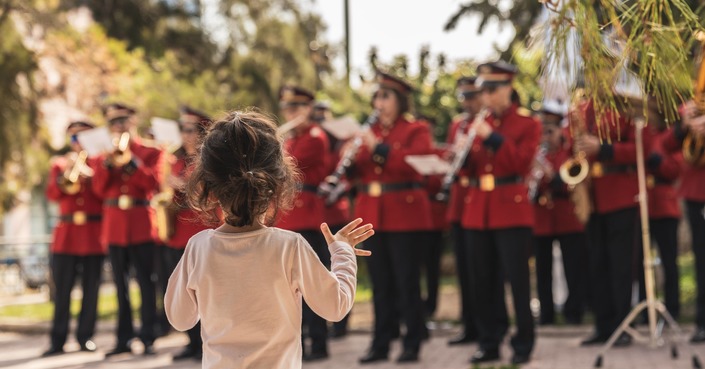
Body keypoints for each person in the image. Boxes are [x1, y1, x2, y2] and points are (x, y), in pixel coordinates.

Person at [164, 110, 374, 369]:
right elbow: (335, 307)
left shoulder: (198, 246)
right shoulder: (290, 246)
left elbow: (180, 318)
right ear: (277, 182)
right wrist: (342, 253)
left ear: (208, 184)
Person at [351, 71, 434, 364]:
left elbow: (415, 165)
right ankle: (380, 344)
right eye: (376, 96)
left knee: (407, 283)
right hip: (373, 215)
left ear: (400, 100)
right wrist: (351, 157)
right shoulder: (369, 132)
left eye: (385, 96)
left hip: (405, 214)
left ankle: (412, 342)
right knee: (380, 284)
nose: (379, 102)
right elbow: (357, 170)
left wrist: (377, 148)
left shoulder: (416, 129)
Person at [461, 61, 539, 365]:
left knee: (517, 281)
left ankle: (523, 344)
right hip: (478, 209)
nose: (486, 97)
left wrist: (491, 137)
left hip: (511, 208)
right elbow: (468, 170)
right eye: (483, 90)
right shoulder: (475, 123)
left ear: (508, 88)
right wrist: (462, 151)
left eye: (492, 90)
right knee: (483, 281)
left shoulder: (527, 123)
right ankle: (489, 341)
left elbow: (520, 163)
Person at [576, 96, 654, 347]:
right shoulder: (582, 108)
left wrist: (604, 149)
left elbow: (644, 148)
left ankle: (623, 326)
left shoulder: (629, 105)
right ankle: (603, 325)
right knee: (596, 264)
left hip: (621, 194)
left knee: (621, 267)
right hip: (592, 195)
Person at [92, 103, 162, 356]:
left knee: (145, 283)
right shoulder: (103, 155)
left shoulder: (150, 151)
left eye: (123, 120)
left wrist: (131, 162)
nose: (119, 126)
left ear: (133, 122)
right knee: (120, 287)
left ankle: (148, 336)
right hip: (114, 227)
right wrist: (109, 165)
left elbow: (153, 182)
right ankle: (123, 339)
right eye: (114, 122)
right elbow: (99, 190)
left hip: (141, 224)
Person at [275, 86, 333, 361]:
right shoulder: (289, 139)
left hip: (308, 217)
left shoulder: (315, 137)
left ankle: (319, 343)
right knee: (288, 287)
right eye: (287, 108)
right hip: (288, 217)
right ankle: (298, 343)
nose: (290, 113)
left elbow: (288, 163)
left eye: (296, 107)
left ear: (308, 109)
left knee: (311, 284)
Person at [159, 106, 218, 361]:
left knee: (205, 292)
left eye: (189, 129)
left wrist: (184, 185)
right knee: (185, 290)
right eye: (182, 129)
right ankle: (192, 341)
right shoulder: (177, 160)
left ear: (203, 132)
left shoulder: (209, 162)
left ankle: (208, 342)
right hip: (179, 232)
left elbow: (210, 197)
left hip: (202, 229)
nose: (184, 135)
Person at [42, 121, 105, 357]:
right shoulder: (59, 164)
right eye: (73, 138)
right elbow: (52, 195)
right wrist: (64, 173)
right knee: (62, 291)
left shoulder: (99, 165)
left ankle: (85, 337)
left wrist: (91, 175)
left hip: (92, 234)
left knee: (91, 290)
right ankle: (57, 340)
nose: (77, 143)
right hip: (66, 236)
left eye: (81, 137)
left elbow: (103, 193)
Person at [531, 104, 588, 325]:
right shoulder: (535, 152)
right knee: (542, 269)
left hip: (567, 216)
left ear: (560, 130)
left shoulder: (570, 150)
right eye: (542, 131)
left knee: (573, 267)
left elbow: (574, 181)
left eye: (550, 131)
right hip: (541, 218)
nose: (546, 136)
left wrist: (551, 175)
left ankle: (574, 313)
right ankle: (546, 315)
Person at [662, 100, 705, 343]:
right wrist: (684, 126)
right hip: (698, 192)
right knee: (702, 260)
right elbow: (664, 145)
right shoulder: (691, 107)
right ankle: (703, 321)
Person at [312, 101, 354, 339]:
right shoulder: (318, 143)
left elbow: (350, 176)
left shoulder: (342, 144)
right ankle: (322, 323)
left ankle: (342, 324)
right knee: (318, 270)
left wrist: (338, 187)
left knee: (338, 267)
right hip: (316, 216)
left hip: (336, 213)